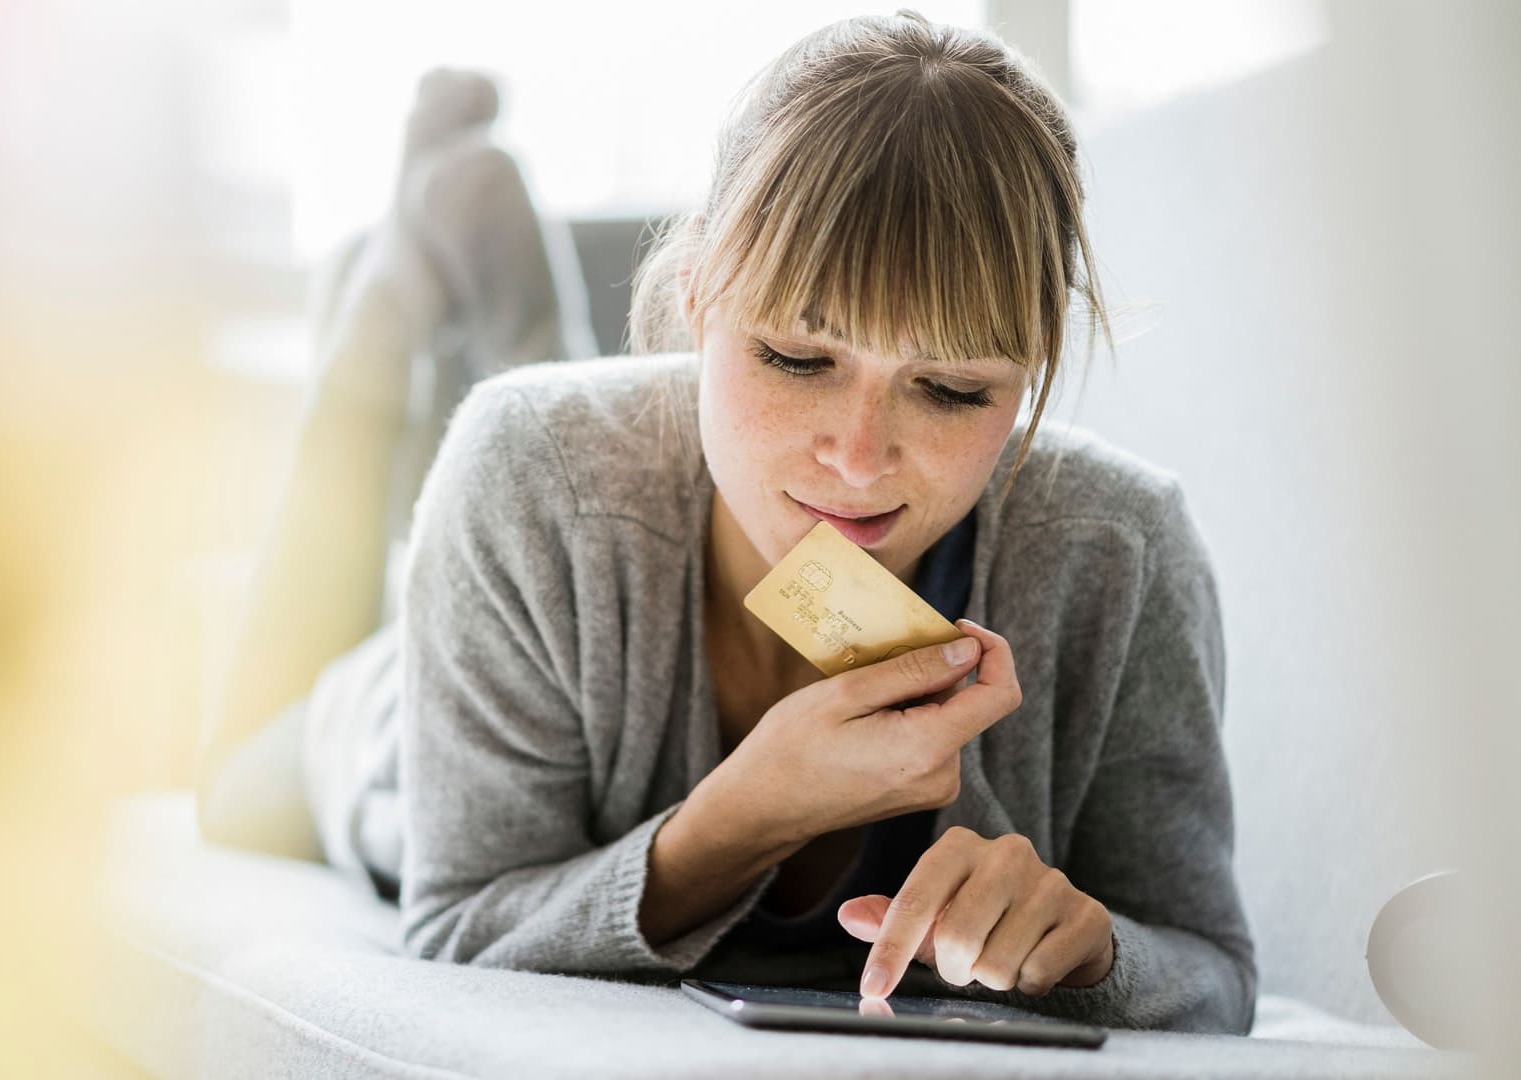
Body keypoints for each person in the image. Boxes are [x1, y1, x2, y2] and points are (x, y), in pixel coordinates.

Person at [202, 9, 1256, 1036]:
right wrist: (744, 817)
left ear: (1031, 368)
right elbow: (457, 925)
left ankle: (510, 285)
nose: (859, 458)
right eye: (798, 360)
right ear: (698, 294)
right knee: (236, 782)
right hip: (390, 720)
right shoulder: (530, 469)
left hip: (605, 477)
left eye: (951, 390)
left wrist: (1096, 953)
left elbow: (1214, 974)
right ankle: (384, 316)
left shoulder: (1121, 550)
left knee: (571, 435)